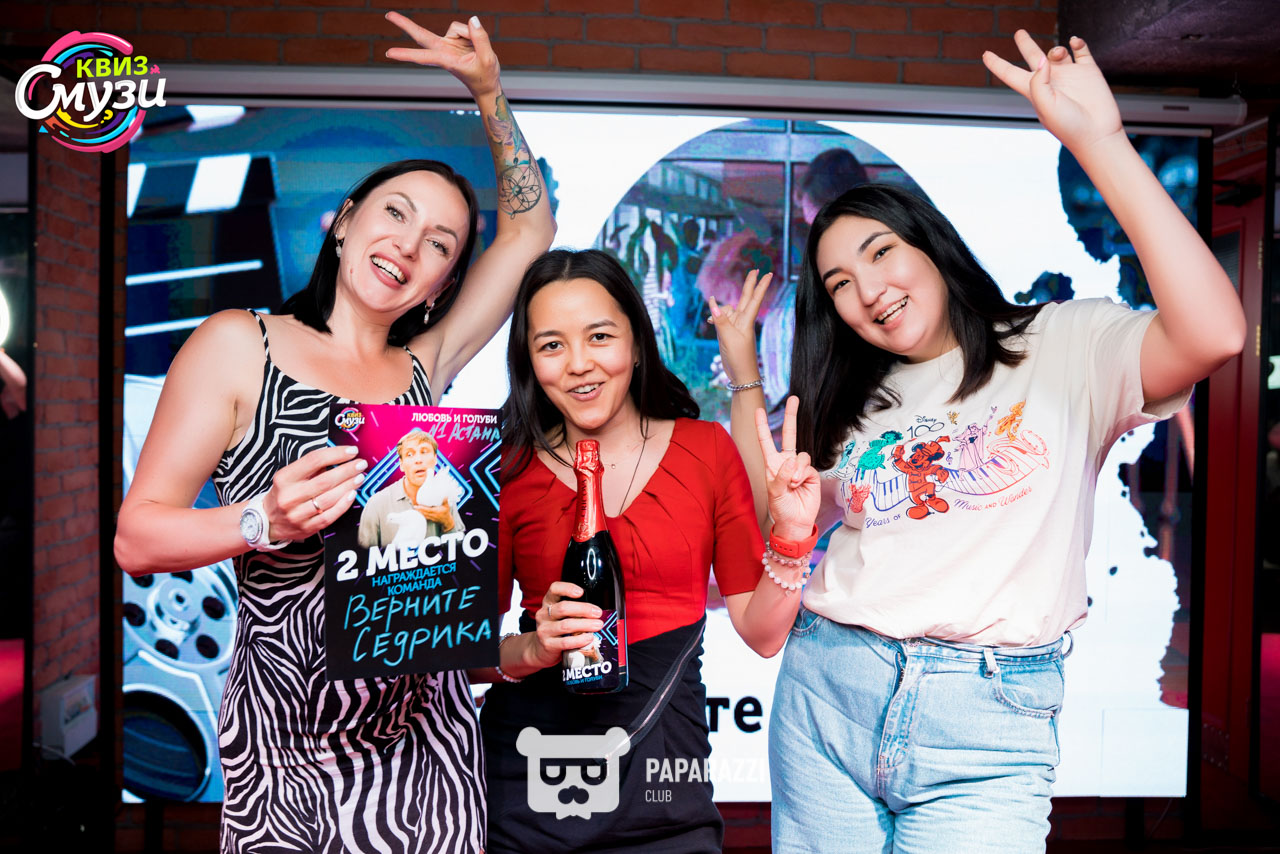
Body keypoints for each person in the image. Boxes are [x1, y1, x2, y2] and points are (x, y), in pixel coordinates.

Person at [710, 31, 1246, 853]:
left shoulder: (1063, 344)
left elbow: (1216, 333)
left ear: (929, 244)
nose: (867, 291)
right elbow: (779, 526)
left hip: (990, 723)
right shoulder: (851, 397)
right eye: (839, 284)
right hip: (830, 691)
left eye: (880, 252)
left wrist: (1102, 143)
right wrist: (749, 387)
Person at [114, 13, 555, 853]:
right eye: (394, 213)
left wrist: (489, 94)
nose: (407, 245)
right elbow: (137, 537)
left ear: (442, 284)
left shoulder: (426, 366)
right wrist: (262, 520)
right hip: (287, 742)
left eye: (439, 244)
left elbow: (531, 231)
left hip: (428, 741)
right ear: (345, 220)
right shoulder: (239, 343)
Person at [474, 249, 819, 853]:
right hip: (527, 789)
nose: (578, 364)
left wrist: (791, 538)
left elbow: (763, 635)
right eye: (551, 345)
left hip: (664, 789)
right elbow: (461, 656)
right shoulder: (503, 469)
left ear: (636, 342)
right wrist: (532, 647)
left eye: (599, 337)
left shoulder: (705, 451)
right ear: (528, 360)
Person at [357, 428, 463, 548]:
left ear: (435, 459)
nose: (418, 460)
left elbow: (461, 552)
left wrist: (448, 523)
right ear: (401, 464)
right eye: (410, 454)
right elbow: (364, 554)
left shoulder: (446, 497)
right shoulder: (376, 504)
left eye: (424, 452)